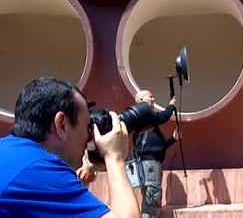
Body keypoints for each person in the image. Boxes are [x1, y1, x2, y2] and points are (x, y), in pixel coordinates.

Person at [0, 77, 141, 218]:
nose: (90, 137)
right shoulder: (38, 169)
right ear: (61, 124)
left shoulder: (13, 155)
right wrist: (115, 158)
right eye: (87, 126)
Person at [133, 90, 179, 218]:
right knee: (152, 195)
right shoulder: (142, 113)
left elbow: (158, 146)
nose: (153, 99)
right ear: (141, 100)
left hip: (150, 162)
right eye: (150, 96)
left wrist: (173, 139)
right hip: (149, 163)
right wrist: (171, 106)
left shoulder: (147, 121)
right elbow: (162, 118)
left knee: (150, 195)